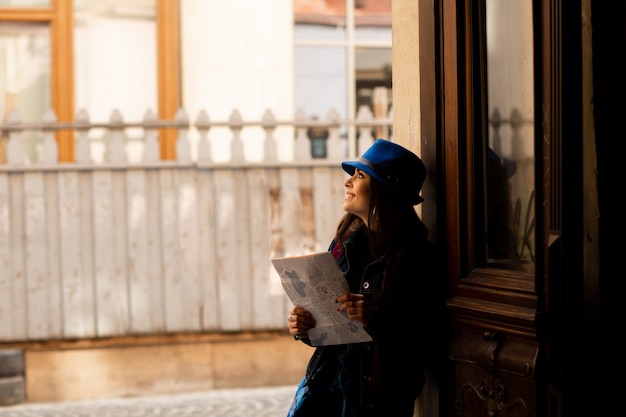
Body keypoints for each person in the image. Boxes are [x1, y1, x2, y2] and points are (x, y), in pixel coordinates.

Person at [286, 138, 441, 417]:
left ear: (386, 190)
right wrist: (304, 325)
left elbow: (422, 336)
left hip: (375, 400)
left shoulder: (416, 256)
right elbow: (330, 328)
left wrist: (373, 319)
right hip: (324, 388)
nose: (348, 182)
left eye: (360, 176)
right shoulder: (343, 244)